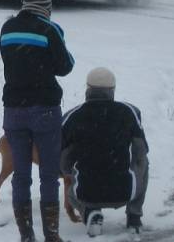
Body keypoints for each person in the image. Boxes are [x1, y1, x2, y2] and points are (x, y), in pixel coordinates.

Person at [0, 0, 75, 242]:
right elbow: (65, 66)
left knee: (21, 175)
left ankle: (26, 235)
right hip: (44, 110)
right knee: (48, 176)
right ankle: (51, 236)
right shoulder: (49, 29)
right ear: (47, 7)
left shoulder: (6, 29)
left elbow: (13, 62)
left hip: (13, 111)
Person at [61, 68, 149, 240]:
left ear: (87, 89)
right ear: (112, 90)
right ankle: (134, 218)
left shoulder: (72, 116)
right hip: (124, 191)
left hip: (85, 192)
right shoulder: (130, 112)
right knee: (144, 162)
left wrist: (69, 170)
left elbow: (63, 159)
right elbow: (141, 150)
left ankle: (90, 212)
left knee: (69, 169)